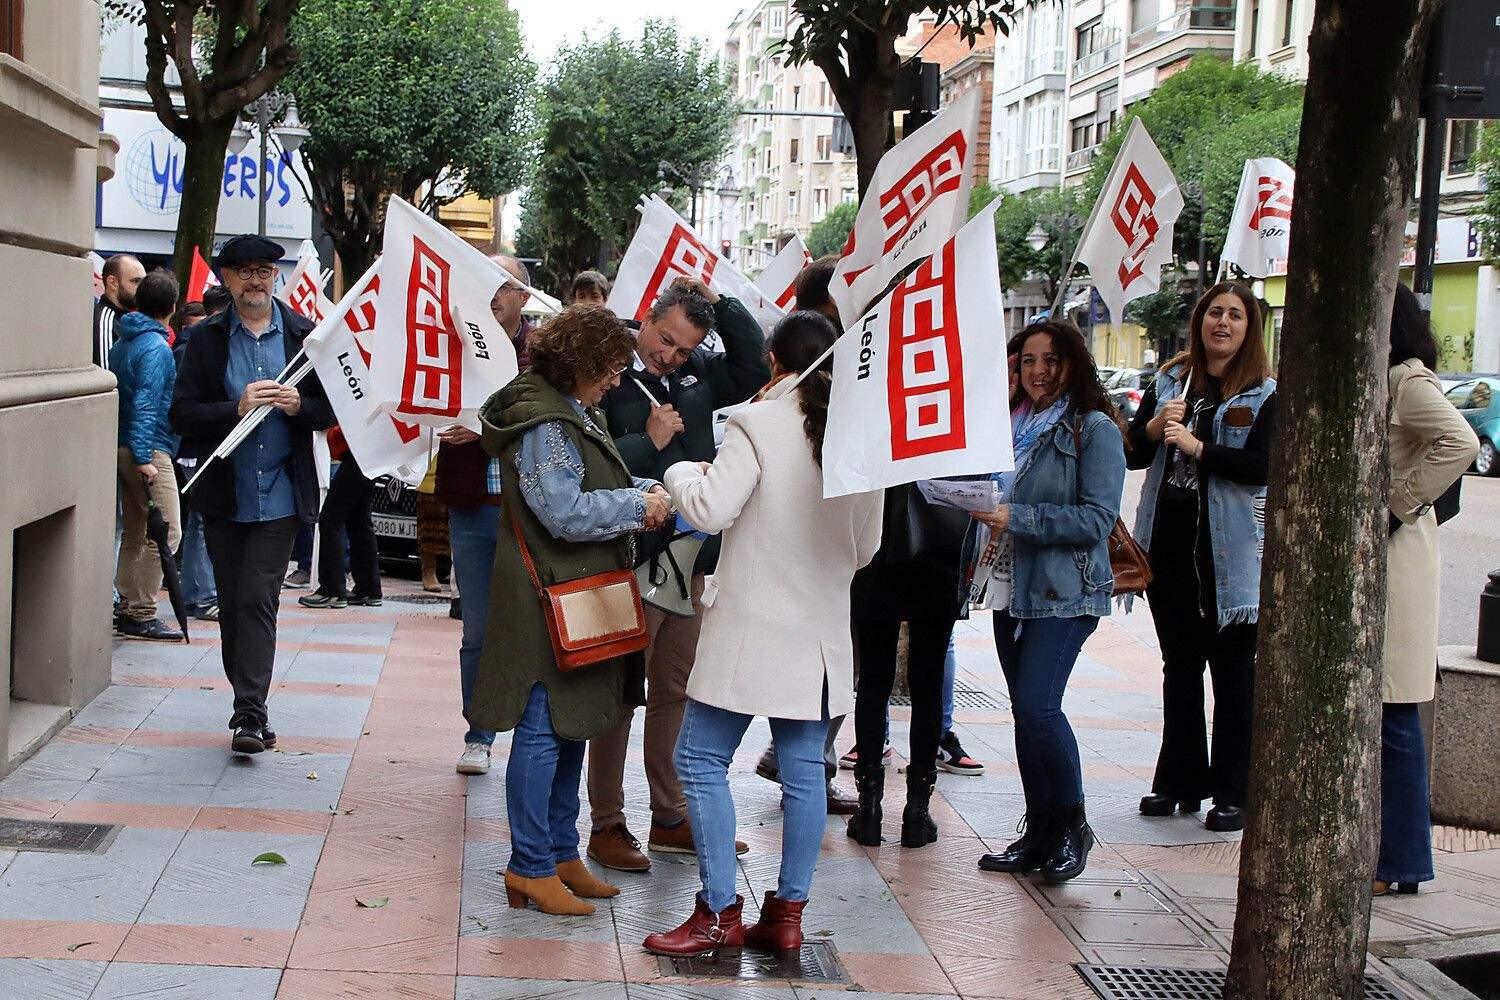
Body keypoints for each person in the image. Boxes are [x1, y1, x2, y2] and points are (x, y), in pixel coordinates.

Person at [643, 312, 883, 956]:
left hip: (750, 629)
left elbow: (707, 509)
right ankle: (786, 915)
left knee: (700, 759)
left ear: (776, 363)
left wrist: (680, 471)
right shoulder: (861, 436)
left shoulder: (758, 423)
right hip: (820, 635)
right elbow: (865, 549)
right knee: (804, 772)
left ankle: (719, 911)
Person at [469, 304, 672, 917]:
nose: (616, 380)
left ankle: (559, 853)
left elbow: (588, 485)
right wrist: (636, 507)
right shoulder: (546, 421)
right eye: (608, 368)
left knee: (572, 722)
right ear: (579, 363)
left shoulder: (572, 408)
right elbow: (562, 511)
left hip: (574, 593)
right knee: (541, 729)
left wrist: (641, 490)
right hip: (547, 599)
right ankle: (529, 865)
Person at [585, 277, 770, 872]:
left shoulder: (697, 378)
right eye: (664, 339)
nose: (669, 355)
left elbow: (753, 364)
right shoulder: (606, 375)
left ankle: (669, 815)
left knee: (675, 690)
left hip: (690, 560)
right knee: (620, 695)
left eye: (684, 348)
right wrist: (647, 440)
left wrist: (720, 302)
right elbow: (587, 468)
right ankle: (607, 822)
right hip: (630, 560)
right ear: (646, 319)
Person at [971, 321, 1126, 883]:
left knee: (1039, 706)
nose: (1038, 371)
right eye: (1028, 360)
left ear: (1073, 364)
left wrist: (1018, 516)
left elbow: (1097, 519)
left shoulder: (1093, 428)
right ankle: (1038, 831)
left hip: (1065, 590)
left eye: (1050, 360)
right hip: (1009, 583)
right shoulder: (1008, 424)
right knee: (1024, 712)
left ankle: (1072, 827)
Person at [170, 234, 335, 755]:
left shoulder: (306, 336)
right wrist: (235, 408)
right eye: (244, 272)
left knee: (257, 599)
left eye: (264, 270)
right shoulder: (205, 339)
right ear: (227, 279)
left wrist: (298, 406)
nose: (255, 280)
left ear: (276, 277)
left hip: (281, 494)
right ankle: (248, 702)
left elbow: (330, 411)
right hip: (225, 494)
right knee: (232, 603)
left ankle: (249, 713)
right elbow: (182, 414)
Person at [1128, 282, 1276, 833]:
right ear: (1200, 321)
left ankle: (1234, 791)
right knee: (1180, 667)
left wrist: (1200, 449)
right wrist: (1151, 427)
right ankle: (1178, 781)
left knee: (1234, 673)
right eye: (1216, 312)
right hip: (1169, 543)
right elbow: (1134, 454)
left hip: (1229, 553)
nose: (1223, 323)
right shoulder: (1171, 381)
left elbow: (1261, 468)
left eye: (1236, 315)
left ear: (1249, 329)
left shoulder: (1263, 393)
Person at [1377, 284, 1478, 895]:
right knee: (1386, 713)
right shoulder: (1384, 379)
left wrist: (1398, 502)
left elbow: (1461, 442)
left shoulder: (1408, 381)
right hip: (1383, 558)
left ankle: (1404, 861)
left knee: (1394, 710)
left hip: (1399, 561)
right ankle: (1396, 858)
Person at [439, 255, 536, 776]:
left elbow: (546, 419)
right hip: (474, 507)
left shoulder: (543, 353)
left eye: (503, 285)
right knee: (477, 629)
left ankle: (533, 731)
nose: (492, 295)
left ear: (524, 295)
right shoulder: (453, 345)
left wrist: (484, 431)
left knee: (532, 626)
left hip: (532, 511)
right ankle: (478, 733)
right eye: (484, 284)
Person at [845, 479, 970, 850]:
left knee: (873, 679)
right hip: (939, 549)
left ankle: (869, 810)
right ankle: (917, 812)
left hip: (876, 549)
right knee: (928, 683)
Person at [111, 269, 185, 642]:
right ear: (172, 306)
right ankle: (141, 610)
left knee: (137, 528)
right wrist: (145, 458)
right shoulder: (156, 347)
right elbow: (146, 403)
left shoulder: (124, 341)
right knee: (167, 530)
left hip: (123, 445)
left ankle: (127, 606)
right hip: (147, 448)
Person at [299, 430, 382, 609]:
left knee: (331, 517)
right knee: (358, 518)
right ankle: (368, 588)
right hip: (372, 450)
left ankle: (332, 589)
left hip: (359, 448)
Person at [94, 253, 145, 370]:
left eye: (143, 282)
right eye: (136, 281)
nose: (142, 289)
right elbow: (107, 375)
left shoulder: (128, 318)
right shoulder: (105, 321)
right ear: (113, 283)